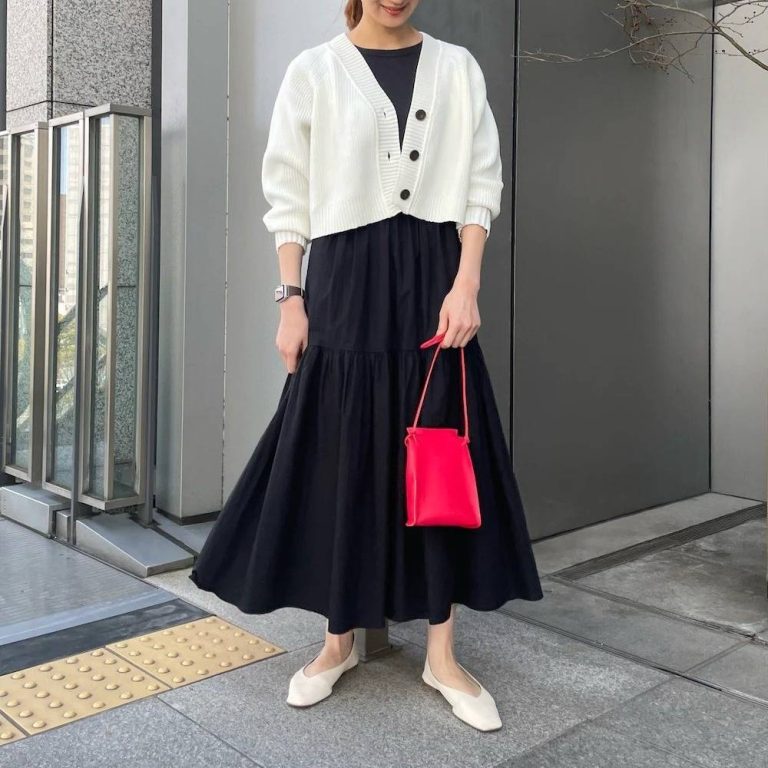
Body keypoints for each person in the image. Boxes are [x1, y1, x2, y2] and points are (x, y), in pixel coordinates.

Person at [189, 0, 544, 732]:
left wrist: (467, 283)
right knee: (341, 451)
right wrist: (291, 299)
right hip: (344, 279)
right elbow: (288, 191)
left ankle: (442, 654)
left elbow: (481, 181)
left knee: (438, 450)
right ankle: (338, 638)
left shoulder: (456, 68)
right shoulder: (314, 71)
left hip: (435, 274)